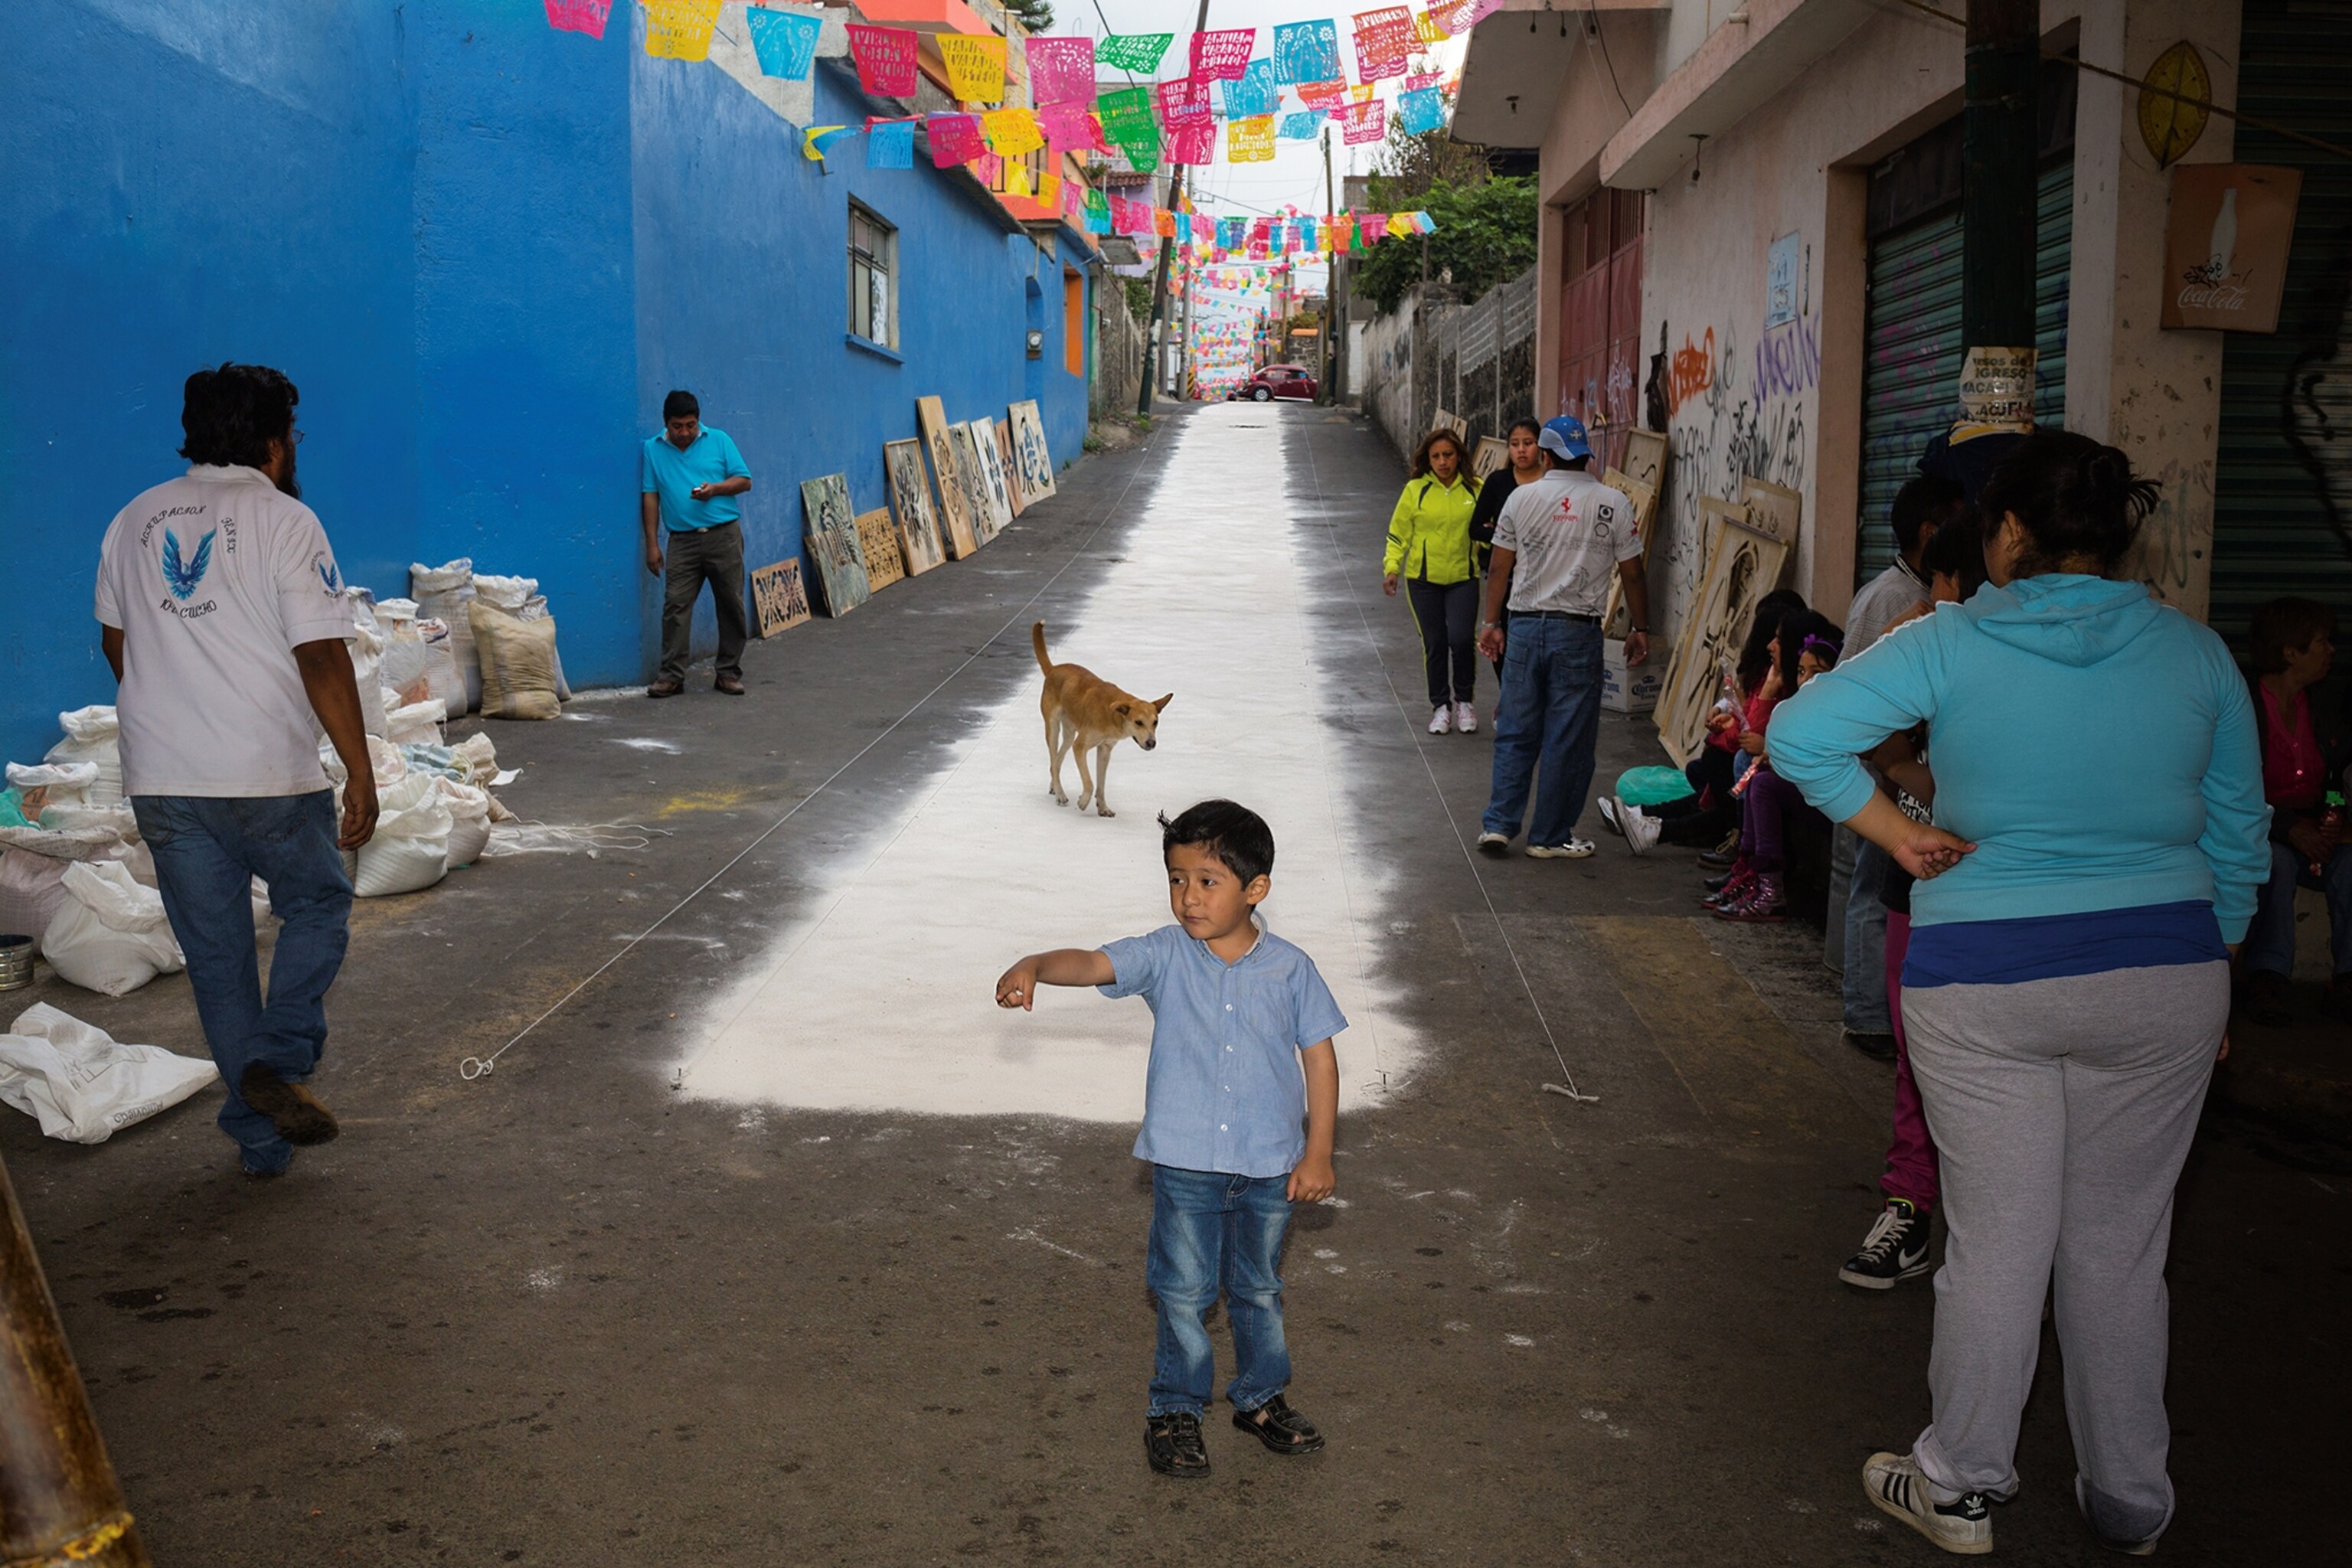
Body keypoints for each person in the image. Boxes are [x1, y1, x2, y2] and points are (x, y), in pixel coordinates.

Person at [1769, 432, 2270, 1557]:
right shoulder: (2196, 655)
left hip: (1986, 979)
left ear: (2006, 533)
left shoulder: (1951, 640)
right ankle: (2133, 1495)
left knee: (1998, 1242)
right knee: (2122, 1248)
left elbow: (1798, 734)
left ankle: (1957, 1482)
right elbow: (2241, 836)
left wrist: (1898, 835)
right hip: (2165, 979)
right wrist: (2217, 972)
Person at [994, 800, 1345, 1479]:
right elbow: (1094, 962)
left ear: (1256, 889)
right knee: (1184, 1292)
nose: (1188, 897)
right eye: (1177, 879)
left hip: (1270, 1165)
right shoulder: (1163, 954)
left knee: (1259, 1289)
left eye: (1207, 881)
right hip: (1186, 1163)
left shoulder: (1291, 969)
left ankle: (1261, 1398)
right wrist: (1036, 962)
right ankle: (1176, 1409)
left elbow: (1320, 1059)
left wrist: (1319, 1151)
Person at [93, 363, 377, 1178]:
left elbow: (120, 646)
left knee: (217, 957)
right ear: (273, 444)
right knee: (317, 901)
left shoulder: (132, 519)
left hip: (164, 777)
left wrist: (174, 706)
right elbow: (321, 653)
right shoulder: (288, 520)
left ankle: (261, 1139)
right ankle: (278, 1057)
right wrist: (359, 769)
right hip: (267, 772)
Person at [1838, 511, 1986, 1292]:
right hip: (1918, 884)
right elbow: (1855, 737)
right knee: (1916, 1057)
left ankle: (1987, 1220)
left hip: (2006, 897)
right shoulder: (1924, 637)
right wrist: (1919, 797)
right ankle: (1910, 1206)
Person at [1834, 477, 1970, 1061]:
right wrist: (1902, 769)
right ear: (1930, 535)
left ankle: (1872, 1005)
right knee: (1877, 892)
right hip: (1882, 779)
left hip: (1890, 775)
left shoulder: (1909, 603)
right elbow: (1852, 705)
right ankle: (1870, 1012)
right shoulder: (1900, 604)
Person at [1474, 416, 1650, 859]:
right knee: (1567, 738)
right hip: (1578, 633)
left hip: (1526, 627)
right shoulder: (1614, 502)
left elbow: (1499, 567)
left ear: (1546, 455)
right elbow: (1633, 573)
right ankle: (1549, 837)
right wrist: (1640, 628)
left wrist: (1491, 623)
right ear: (1586, 455)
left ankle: (1498, 824)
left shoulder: (1521, 497)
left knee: (1516, 730)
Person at [1602, 589, 1806, 856]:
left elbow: (1748, 736)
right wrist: (1728, 716)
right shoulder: (1769, 677)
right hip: (1756, 770)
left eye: (1778, 640)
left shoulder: (1784, 685)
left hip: (1768, 776)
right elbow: (1747, 724)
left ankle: (1659, 828)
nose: (1770, 646)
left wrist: (1760, 701)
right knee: (1708, 773)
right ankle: (1647, 818)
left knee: (1732, 780)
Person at [2239, 596, 2352, 1025]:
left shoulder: (2322, 706)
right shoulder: (2245, 703)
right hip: (2259, 831)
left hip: (2310, 829)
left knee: (2350, 863)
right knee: (2278, 862)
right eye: (2322, 642)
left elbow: (2336, 777)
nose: (2332, 651)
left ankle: (2347, 980)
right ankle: (2267, 977)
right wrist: (2288, 827)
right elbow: (2231, 789)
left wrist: (2334, 813)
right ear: (2291, 652)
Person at [1707, 617, 1841, 923]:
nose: (1806, 680)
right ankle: (1752, 873)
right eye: (1802, 672)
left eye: (1817, 673)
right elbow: (1749, 738)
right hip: (1807, 788)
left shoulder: (1836, 710)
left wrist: (1778, 754)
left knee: (1762, 783)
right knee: (1754, 777)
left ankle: (1770, 890)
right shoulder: (1794, 702)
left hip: (1835, 799)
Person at [641, 389, 753, 698]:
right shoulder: (653, 449)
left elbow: (745, 481)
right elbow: (650, 496)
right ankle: (672, 676)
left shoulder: (719, 440)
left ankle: (728, 673)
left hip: (724, 536)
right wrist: (653, 544)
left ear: (698, 421)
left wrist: (715, 489)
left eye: (691, 425)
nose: (685, 432)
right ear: (666, 423)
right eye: (678, 426)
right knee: (675, 607)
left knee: (731, 604)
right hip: (681, 541)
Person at [1383, 429, 1484, 734]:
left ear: (1459, 457)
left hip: (1464, 578)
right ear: (1427, 460)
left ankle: (1465, 702)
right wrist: (1392, 568)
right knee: (1435, 643)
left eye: (1448, 455)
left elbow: (1491, 529)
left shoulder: (1475, 489)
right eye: (1436, 456)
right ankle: (1441, 706)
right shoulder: (1416, 490)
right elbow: (1399, 533)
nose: (1443, 462)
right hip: (1423, 580)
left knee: (1462, 640)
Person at [1467, 419, 1546, 681]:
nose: (1521, 450)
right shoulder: (1498, 482)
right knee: (1503, 643)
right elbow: (1476, 528)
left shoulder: (1551, 483)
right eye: (1515, 445)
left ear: (1541, 447)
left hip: (1544, 578)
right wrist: (1506, 538)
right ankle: (1508, 701)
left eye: (1528, 443)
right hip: (1505, 578)